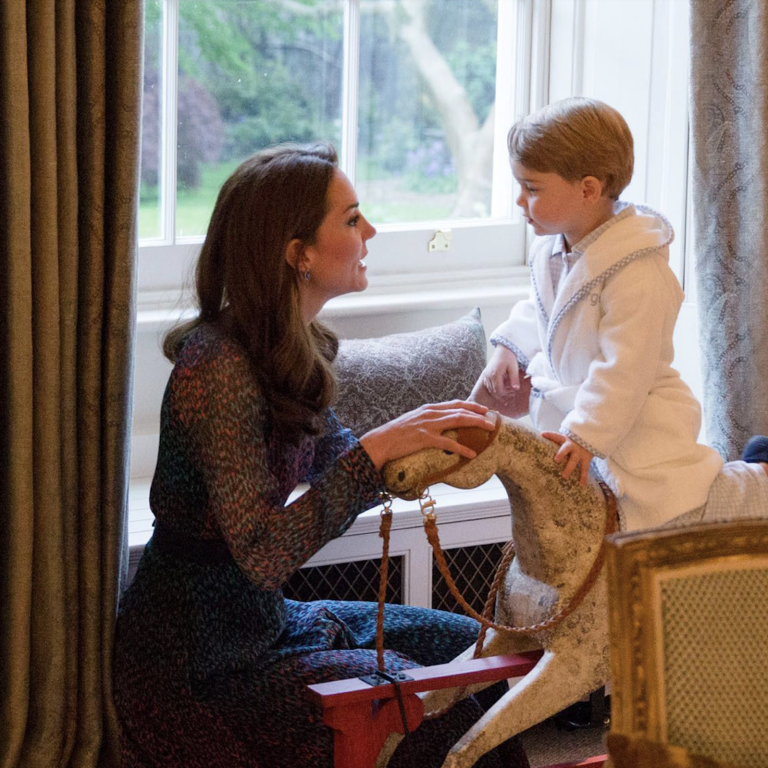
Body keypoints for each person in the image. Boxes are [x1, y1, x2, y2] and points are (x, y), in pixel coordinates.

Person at [113, 143, 530, 768]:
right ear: (298, 253)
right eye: (352, 218)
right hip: (198, 663)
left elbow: (341, 458)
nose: (372, 231)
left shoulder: (289, 345)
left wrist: (460, 440)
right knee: (440, 715)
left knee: (477, 654)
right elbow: (264, 553)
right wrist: (377, 451)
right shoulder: (215, 366)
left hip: (264, 622)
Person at [473, 97, 768, 531]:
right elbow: (543, 312)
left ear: (588, 189)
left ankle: (760, 470)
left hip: (637, 421)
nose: (519, 200)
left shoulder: (638, 270)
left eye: (532, 189)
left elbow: (624, 367)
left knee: (684, 503)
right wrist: (507, 348)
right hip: (581, 417)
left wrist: (586, 434)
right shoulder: (553, 251)